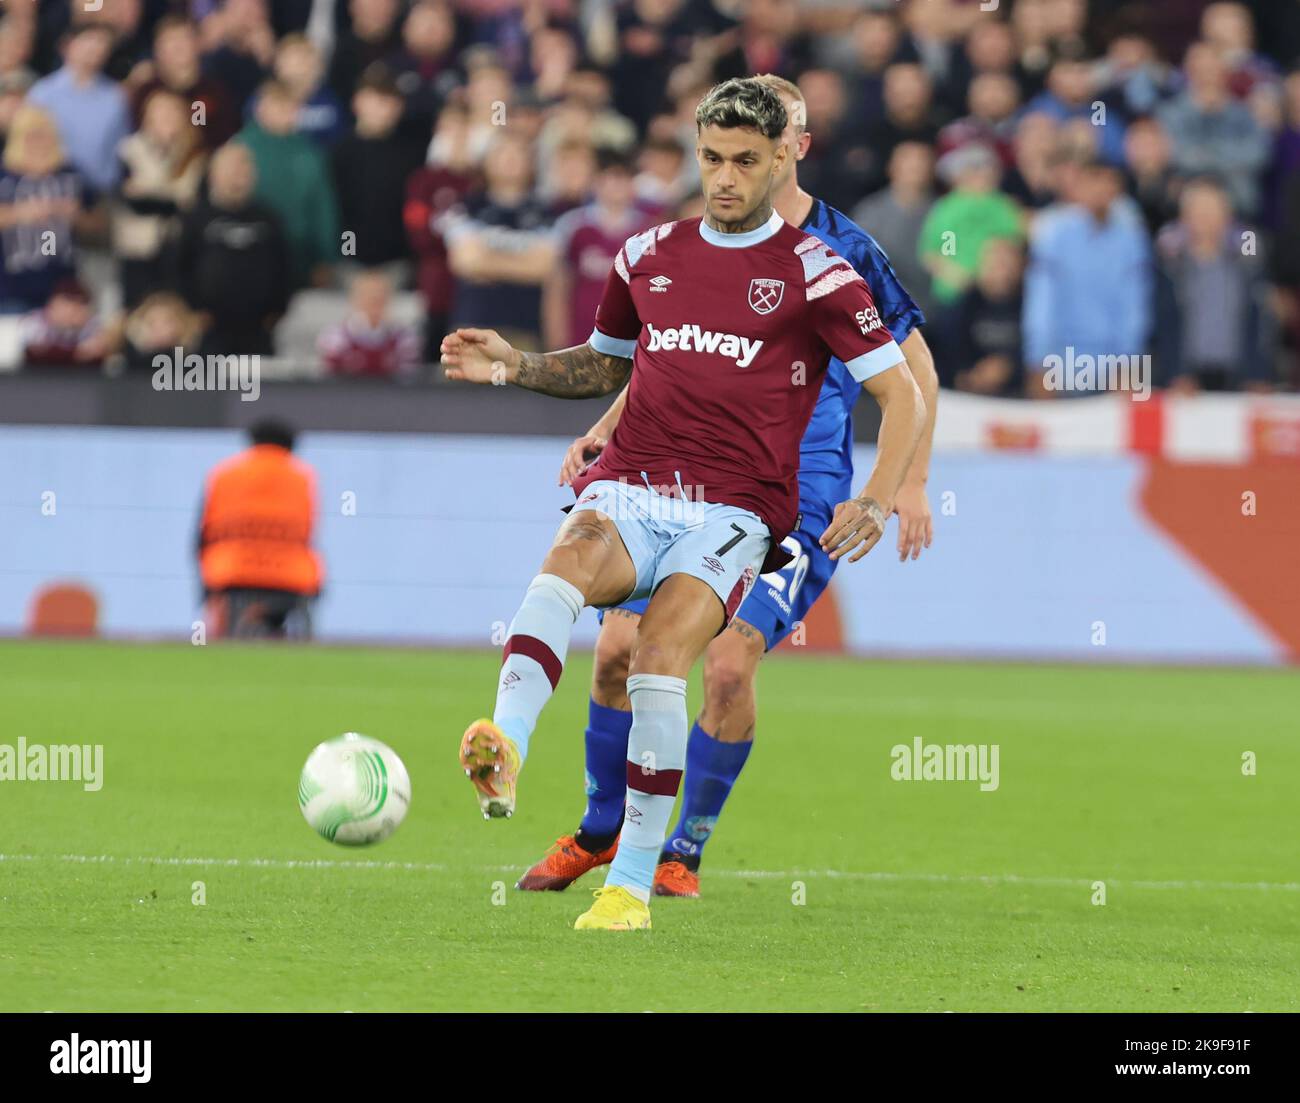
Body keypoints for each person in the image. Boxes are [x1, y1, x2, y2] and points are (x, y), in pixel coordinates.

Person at [440, 77, 925, 932]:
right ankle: (509, 740)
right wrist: (515, 365)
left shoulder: (823, 271)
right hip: (634, 483)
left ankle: (635, 880)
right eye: (711, 159)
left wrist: (886, 496)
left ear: (784, 157)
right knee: (568, 569)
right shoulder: (649, 254)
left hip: (738, 509)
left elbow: (904, 391)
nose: (726, 177)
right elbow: (610, 361)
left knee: (667, 655)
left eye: (745, 161)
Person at [198, 418, 323, 640]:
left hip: (232, 573)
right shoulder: (303, 478)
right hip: (291, 577)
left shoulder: (224, 474)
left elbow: (203, 536)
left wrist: (206, 590)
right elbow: (307, 535)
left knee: (230, 636)